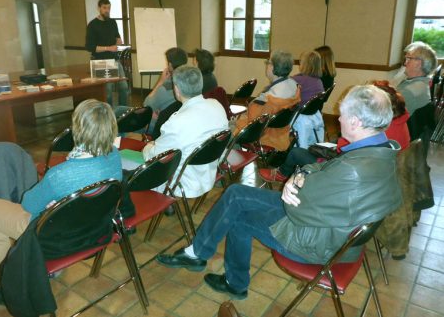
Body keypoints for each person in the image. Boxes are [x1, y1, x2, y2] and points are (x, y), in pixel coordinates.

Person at [156, 85, 402, 300]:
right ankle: (197, 252)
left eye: (343, 115)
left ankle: (234, 283)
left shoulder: (353, 170)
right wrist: (301, 175)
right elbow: (321, 169)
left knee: (239, 220)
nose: (338, 119)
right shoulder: (381, 150)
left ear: (356, 122)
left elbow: (300, 208)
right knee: (236, 193)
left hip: (316, 241)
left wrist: (294, 188)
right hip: (329, 227)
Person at [0, 99, 122, 305]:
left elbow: (28, 205)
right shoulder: (115, 157)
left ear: (77, 129)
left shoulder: (61, 174)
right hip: (91, 230)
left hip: (48, 237)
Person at [267, 80, 412, 182]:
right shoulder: (394, 124)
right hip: (365, 167)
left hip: (334, 165)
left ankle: (281, 174)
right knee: (321, 146)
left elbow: (341, 155)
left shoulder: (353, 164)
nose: (339, 119)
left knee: (296, 152)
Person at [143, 66, 228, 199]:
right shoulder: (216, 105)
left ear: (176, 89)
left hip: (182, 183)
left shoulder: (176, 122)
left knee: (136, 168)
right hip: (209, 175)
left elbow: (155, 158)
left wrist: (148, 147)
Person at [235, 50, 300, 151]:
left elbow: (252, 123)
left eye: (268, 62)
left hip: (265, 137)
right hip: (282, 135)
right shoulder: (294, 86)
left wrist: (235, 123)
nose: (267, 65)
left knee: (226, 133)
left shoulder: (269, 99)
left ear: (273, 67)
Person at [85, 0, 129, 107]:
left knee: (124, 87)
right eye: (104, 8)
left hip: (114, 59)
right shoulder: (92, 25)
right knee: (107, 92)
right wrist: (108, 48)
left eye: (109, 8)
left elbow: (117, 38)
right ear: (99, 8)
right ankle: (107, 115)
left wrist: (119, 40)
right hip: (100, 61)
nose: (107, 10)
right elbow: (90, 47)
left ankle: (124, 112)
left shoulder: (112, 22)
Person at [143, 47, 188, 134]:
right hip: (179, 124)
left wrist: (160, 82)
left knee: (120, 114)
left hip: (160, 127)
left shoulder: (165, 87)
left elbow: (146, 106)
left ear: (170, 65)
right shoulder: (190, 81)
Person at [292, 51, 325, 149]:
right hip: (313, 115)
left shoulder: (297, 80)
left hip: (299, 116)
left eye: (301, 61)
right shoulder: (319, 81)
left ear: (305, 64)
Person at [396, 41, 437, 116]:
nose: (405, 63)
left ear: (418, 63)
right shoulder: (422, 83)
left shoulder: (408, 91)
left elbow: (387, 119)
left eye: (408, 59)